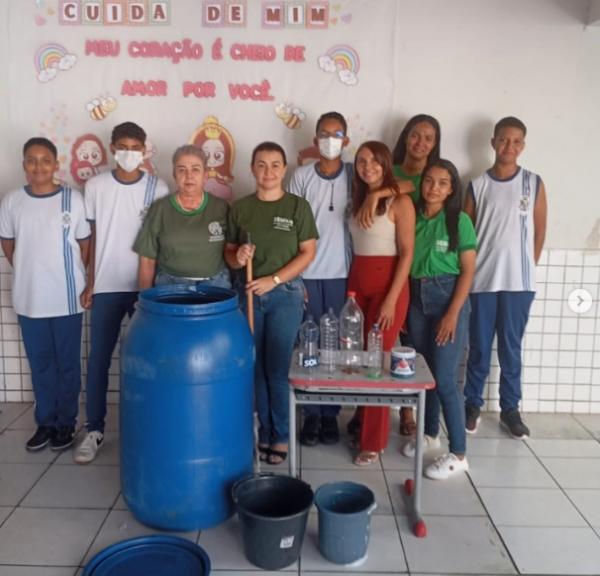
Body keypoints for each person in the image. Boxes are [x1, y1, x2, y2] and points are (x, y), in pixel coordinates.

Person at [74, 122, 169, 464]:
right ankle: (94, 429)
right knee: (99, 358)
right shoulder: (95, 186)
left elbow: (161, 242)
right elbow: (94, 236)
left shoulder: (158, 188)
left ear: (145, 150)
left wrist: (158, 287)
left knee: (153, 360)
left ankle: (155, 424)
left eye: (136, 146)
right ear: (112, 147)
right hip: (107, 286)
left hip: (145, 288)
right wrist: (91, 282)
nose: (130, 153)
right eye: (123, 146)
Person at [225, 142, 318, 465]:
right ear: (252, 168)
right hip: (247, 293)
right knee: (254, 369)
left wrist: (274, 280)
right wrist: (238, 256)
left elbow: (308, 252)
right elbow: (229, 254)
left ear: (284, 169)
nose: (268, 171)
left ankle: (280, 435)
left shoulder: (297, 207)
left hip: (285, 295)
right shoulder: (240, 208)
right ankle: (262, 432)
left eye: (275, 165)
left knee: (276, 370)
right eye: (261, 165)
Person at [0, 137, 90, 451]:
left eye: (44, 160)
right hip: (29, 299)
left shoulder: (72, 199)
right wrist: (30, 272)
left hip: (66, 298)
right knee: (40, 363)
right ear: (24, 164)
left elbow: (84, 245)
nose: (38, 166)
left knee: (67, 363)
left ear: (55, 164)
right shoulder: (12, 201)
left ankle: (66, 423)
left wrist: (76, 280)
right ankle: (46, 423)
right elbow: (8, 245)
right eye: (31, 160)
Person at [356, 114, 441, 436]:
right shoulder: (361, 192)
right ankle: (364, 419)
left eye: (428, 137)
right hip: (361, 283)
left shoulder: (413, 185)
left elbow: (402, 189)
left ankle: (392, 424)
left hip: (408, 273)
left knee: (391, 355)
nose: (420, 142)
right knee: (366, 357)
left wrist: (378, 195)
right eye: (415, 135)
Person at [463, 116, 547, 439]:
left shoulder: (533, 182)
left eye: (515, 141)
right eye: (503, 140)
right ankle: (472, 404)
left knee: (511, 347)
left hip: (518, 285)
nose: (508, 146)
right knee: (480, 347)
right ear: (493, 142)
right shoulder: (477, 185)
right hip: (482, 282)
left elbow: (540, 231)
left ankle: (510, 409)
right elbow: (465, 233)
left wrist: (526, 265)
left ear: (522, 146)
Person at [402, 159, 477, 479]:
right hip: (417, 299)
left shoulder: (458, 220)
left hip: (448, 298)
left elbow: (468, 271)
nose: (433, 187)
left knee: (445, 381)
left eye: (442, 183)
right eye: (429, 181)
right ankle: (430, 435)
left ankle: (459, 454)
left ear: (451, 189)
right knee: (426, 374)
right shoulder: (412, 217)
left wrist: (452, 314)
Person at [348, 141, 415, 466]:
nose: (367, 166)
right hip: (356, 285)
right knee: (359, 358)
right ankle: (362, 421)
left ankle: (373, 442)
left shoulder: (399, 202)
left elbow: (407, 254)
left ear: (386, 163)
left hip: (388, 286)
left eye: (375, 161)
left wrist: (391, 300)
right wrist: (371, 195)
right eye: (361, 161)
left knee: (376, 364)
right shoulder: (356, 197)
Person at [289, 111, 352, 446]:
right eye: (324, 135)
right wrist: (296, 278)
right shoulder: (300, 176)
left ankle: (331, 415)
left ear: (346, 140)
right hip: (308, 274)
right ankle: (311, 414)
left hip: (342, 275)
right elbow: (291, 226)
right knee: (308, 344)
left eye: (337, 134)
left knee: (338, 346)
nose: (330, 140)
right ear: (315, 141)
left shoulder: (356, 175)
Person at [134, 145, 230, 289]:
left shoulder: (221, 208)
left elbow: (233, 252)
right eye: (182, 170)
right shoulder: (160, 208)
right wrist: (145, 300)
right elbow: (147, 259)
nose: (189, 175)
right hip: (170, 286)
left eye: (195, 169)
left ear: (205, 176)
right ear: (174, 175)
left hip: (215, 286)